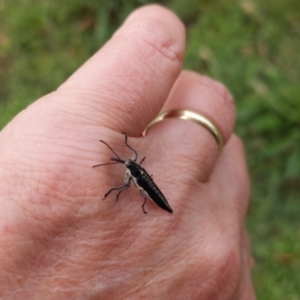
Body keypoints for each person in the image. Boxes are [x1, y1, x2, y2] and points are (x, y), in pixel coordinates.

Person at [0, 5, 256, 299]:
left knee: (140, 193)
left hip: (155, 194)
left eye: (128, 162)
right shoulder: (133, 169)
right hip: (150, 187)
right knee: (136, 191)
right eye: (127, 162)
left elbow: (131, 178)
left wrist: (116, 189)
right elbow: (132, 170)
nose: (127, 162)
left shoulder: (134, 172)